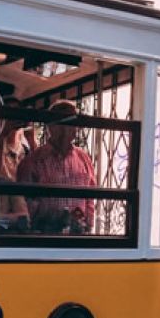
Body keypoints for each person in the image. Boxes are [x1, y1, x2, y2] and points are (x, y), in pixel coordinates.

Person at [16, 99, 96, 234]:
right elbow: (24, 205)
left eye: (71, 123)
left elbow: (90, 198)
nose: (66, 128)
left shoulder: (84, 159)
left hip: (77, 236)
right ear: (50, 126)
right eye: (60, 123)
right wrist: (53, 218)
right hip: (45, 237)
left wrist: (86, 225)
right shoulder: (33, 161)